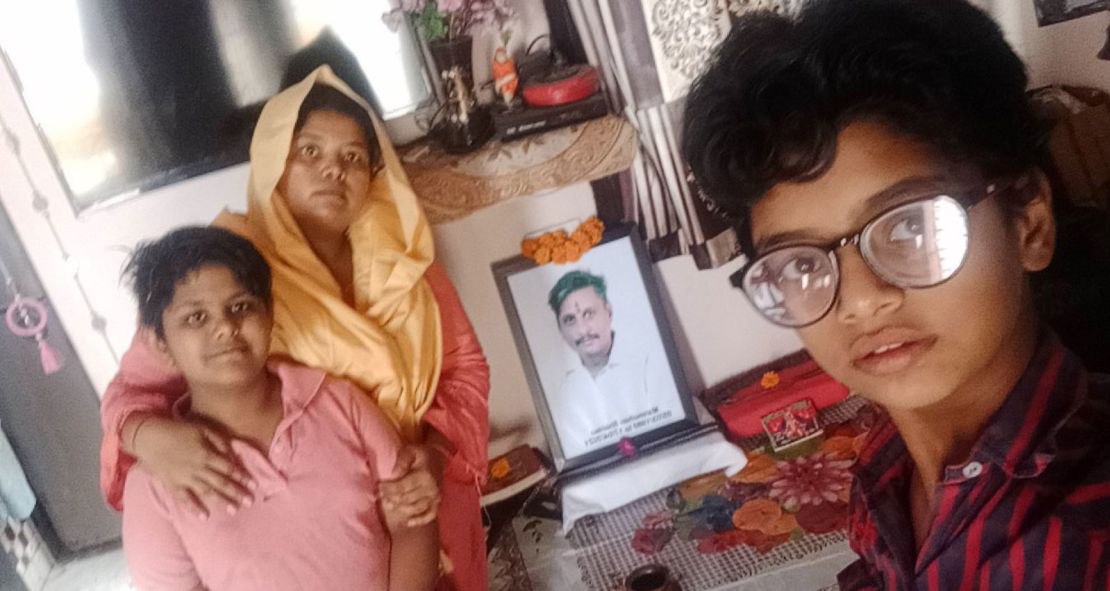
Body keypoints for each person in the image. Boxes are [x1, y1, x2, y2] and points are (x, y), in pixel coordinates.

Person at [682, 0, 1110, 588]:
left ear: (1028, 222)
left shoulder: (1086, 540)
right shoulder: (886, 457)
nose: (858, 301)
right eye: (799, 263)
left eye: (910, 226)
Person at [100, 67, 490, 591]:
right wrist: (148, 436)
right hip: (314, 521)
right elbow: (134, 388)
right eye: (309, 152)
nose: (333, 171)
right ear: (274, 161)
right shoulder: (226, 274)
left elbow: (464, 368)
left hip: (420, 496)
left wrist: (437, 454)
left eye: (353, 158)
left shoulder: (403, 257)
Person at [119, 226, 438, 590]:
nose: (225, 327)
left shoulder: (338, 402)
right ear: (159, 343)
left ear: (269, 315)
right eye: (196, 317)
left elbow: (412, 516)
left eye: (241, 307)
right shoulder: (153, 486)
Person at [545, 270, 682, 457]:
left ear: (608, 312)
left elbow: (674, 434)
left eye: (589, 314)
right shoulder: (566, 392)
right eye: (570, 320)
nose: (583, 329)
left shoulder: (649, 362)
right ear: (560, 329)